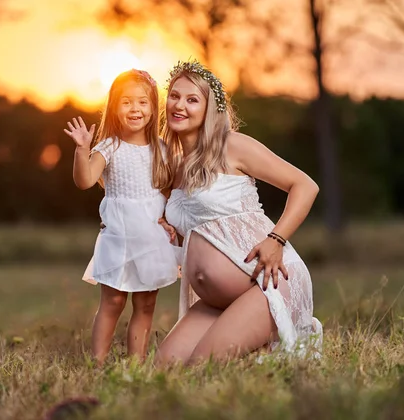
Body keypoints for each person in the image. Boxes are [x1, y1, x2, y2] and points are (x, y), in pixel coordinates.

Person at [158, 60, 323, 365]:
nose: (179, 105)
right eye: (174, 96)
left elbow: (305, 186)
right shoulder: (177, 166)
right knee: (163, 368)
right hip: (217, 300)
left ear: (209, 110)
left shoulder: (231, 146)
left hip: (267, 284)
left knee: (199, 369)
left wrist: (276, 240)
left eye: (192, 100)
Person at [64, 69, 178, 364]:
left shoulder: (162, 150)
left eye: (142, 102)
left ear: (153, 108)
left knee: (146, 303)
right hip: (119, 237)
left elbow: (168, 191)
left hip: (152, 239)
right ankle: (98, 362)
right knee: (113, 302)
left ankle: (135, 364)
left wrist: (168, 219)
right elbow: (85, 180)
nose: (135, 109)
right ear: (114, 107)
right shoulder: (109, 146)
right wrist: (82, 149)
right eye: (126, 102)